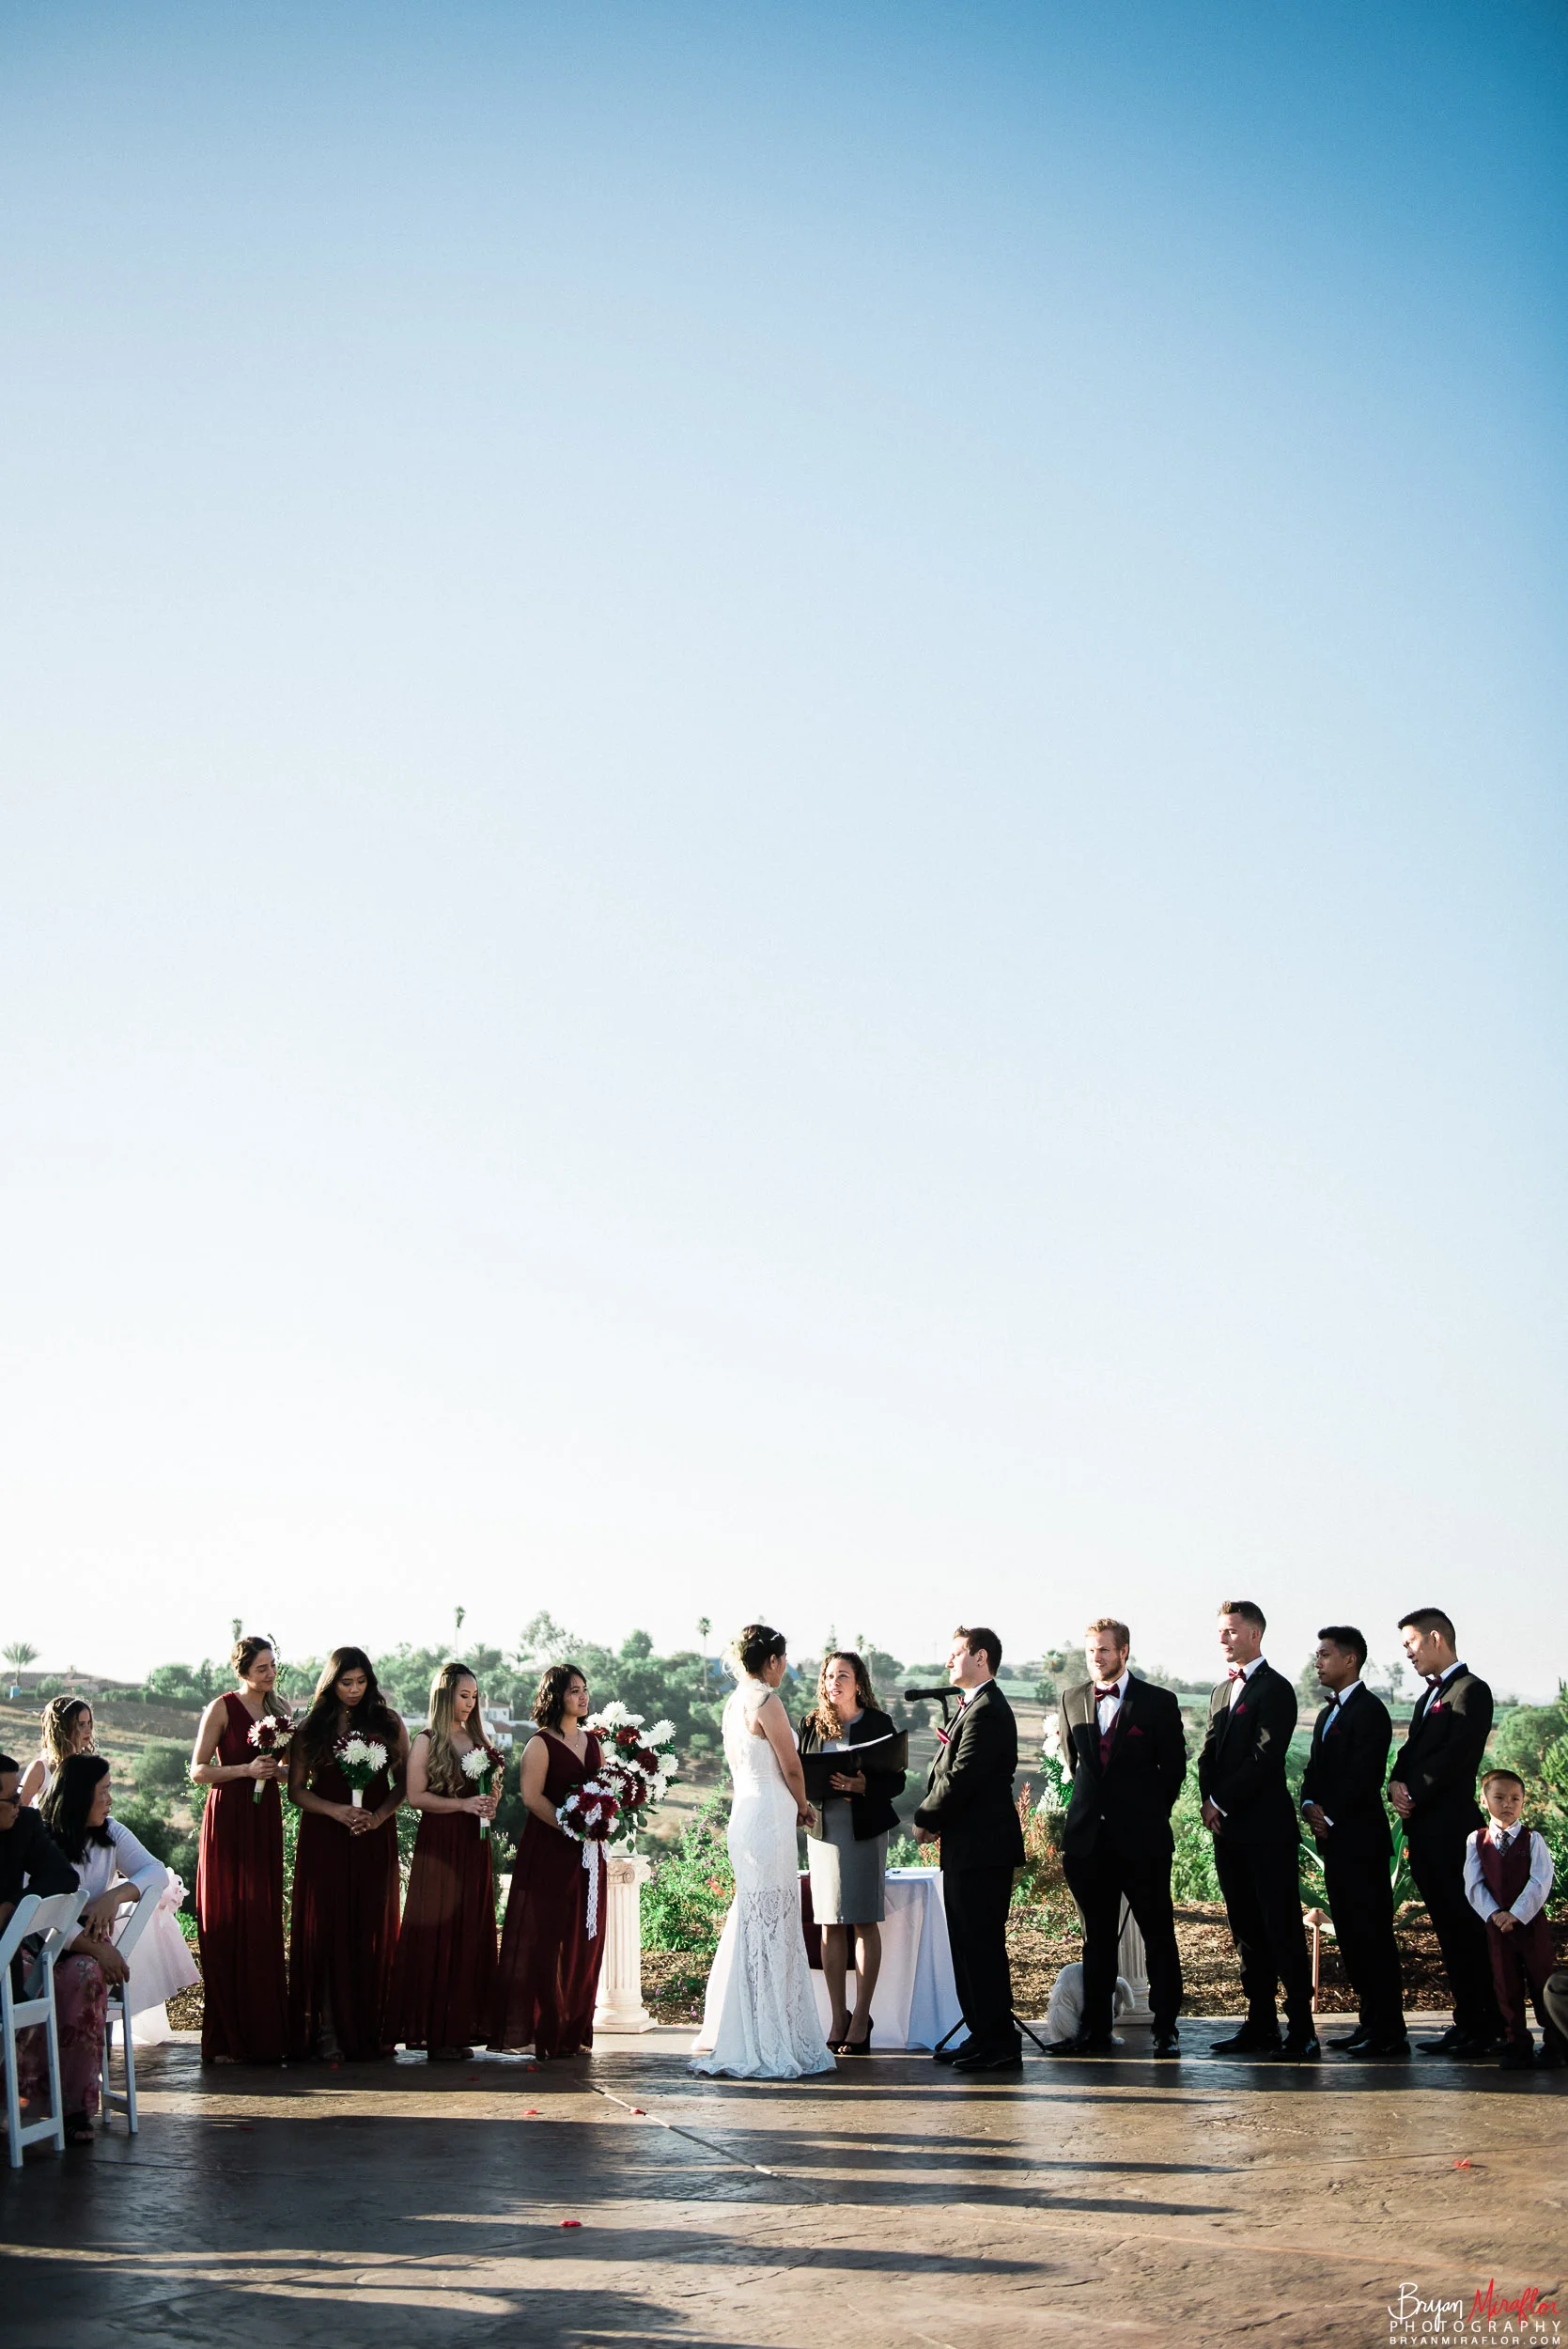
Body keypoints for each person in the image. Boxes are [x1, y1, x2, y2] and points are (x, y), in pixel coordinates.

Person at [691, 1626, 835, 2080]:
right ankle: (773, 2036)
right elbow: (791, 1765)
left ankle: (754, 2028)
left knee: (757, 1920)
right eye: (783, 1660)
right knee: (774, 1922)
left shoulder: (734, 1702)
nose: (785, 1668)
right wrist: (804, 1806)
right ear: (771, 1661)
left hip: (746, 1814)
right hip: (769, 1817)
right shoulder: (766, 1701)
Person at [1051, 1617, 1187, 2058]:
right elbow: (1075, 1764)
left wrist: (1146, 1815)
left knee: (1158, 1935)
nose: (1096, 1658)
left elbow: (1174, 1770)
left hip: (1143, 1841)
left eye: (1105, 1650)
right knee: (1097, 1941)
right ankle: (1095, 2031)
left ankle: (1165, 2029)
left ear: (1124, 1651)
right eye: (1091, 1650)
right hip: (1088, 1842)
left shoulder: (1158, 1702)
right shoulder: (1071, 1698)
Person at [1198, 1601, 1317, 2059]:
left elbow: (1265, 1759)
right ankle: (1260, 2023)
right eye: (1220, 1631)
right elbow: (1208, 1753)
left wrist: (1220, 1801)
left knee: (1281, 1927)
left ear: (1254, 1634)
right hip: (1227, 1832)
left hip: (1267, 1832)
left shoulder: (1277, 1689)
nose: (1222, 1639)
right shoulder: (1219, 1691)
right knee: (1245, 1928)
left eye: (1230, 1631)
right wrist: (1209, 1803)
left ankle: (1302, 2029)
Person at [1387, 1608, 1502, 2056]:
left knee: (1468, 1929)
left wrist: (1412, 1791)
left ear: (1436, 1638)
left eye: (1410, 1643)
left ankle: (1488, 2027)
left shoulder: (1472, 1690)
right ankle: (1466, 2021)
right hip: (1425, 1834)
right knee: (1448, 1932)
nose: (1407, 1654)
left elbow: (1457, 1756)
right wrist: (1395, 1783)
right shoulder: (1426, 1698)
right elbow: (1410, 1752)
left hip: (1454, 1832)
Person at [911, 1626, 1027, 2074]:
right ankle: (981, 2034)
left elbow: (963, 1776)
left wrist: (926, 1817)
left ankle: (1000, 2042)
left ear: (981, 1658)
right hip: (968, 1846)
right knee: (966, 1945)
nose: (948, 1661)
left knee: (981, 1945)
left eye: (957, 1653)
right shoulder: (974, 1706)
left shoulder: (987, 1710)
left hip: (984, 1848)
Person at [287, 1646, 407, 2061]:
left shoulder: (388, 1722)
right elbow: (296, 1791)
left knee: (368, 1927)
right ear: (331, 1683)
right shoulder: (312, 1727)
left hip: (373, 1836)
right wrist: (336, 1811)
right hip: (325, 1836)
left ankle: (367, 2028)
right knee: (327, 1929)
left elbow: (403, 1783)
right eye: (345, 1682)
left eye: (361, 1682)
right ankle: (327, 2032)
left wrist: (378, 1817)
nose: (354, 1690)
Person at [39, 1754, 165, 2144]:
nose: (110, 1799)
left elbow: (156, 1872)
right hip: (41, 1943)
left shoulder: (112, 1833)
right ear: (80, 1795)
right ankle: (28, 2098)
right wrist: (101, 1952)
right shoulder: (40, 1838)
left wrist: (115, 1895)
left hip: (87, 1946)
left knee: (86, 1978)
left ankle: (76, 2108)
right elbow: (41, 1912)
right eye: (104, 1791)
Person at [490, 1662, 609, 2059]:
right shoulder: (539, 1744)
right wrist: (569, 1825)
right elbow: (531, 1797)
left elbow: (603, 1790)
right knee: (546, 1940)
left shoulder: (592, 1743)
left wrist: (600, 1821)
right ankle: (543, 2028)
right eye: (574, 1690)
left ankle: (573, 2029)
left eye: (584, 1689)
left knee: (583, 1939)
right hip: (548, 1850)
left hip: (588, 1855)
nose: (583, 1696)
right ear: (556, 1697)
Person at [1299, 1625, 1406, 2057]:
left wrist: (1331, 1816)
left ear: (1350, 1659)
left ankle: (1390, 2030)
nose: (1318, 1662)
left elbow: (1365, 1775)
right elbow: (1313, 1770)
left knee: (1372, 1934)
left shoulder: (1371, 1711)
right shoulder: (1326, 1714)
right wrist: (1309, 1804)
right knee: (1352, 1936)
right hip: (1335, 1843)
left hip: (1361, 1841)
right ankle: (1369, 2023)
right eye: (1317, 1655)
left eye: (1325, 1655)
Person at [388, 1661, 501, 2059]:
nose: (470, 1703)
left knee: (470, 1931)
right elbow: (416, 1797)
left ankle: (460, 2029)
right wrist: (463, 1805)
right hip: (440, 1844)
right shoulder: (426, 1740)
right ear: (444, 1695)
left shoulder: (479, 1740)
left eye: (474, 1696)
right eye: (463, 1695)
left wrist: (490, 1802)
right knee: (440, 1932)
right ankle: (435, 2033)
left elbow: (490, 1790)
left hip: (474, 1845)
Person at [190, 1634, 292, 2064]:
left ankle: (263, 2035)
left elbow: (290, 1772)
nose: (270, 1674)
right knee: (228, 1919)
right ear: (243, 1671)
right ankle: (226, 2038)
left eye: (273, 1666)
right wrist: (245, 1770)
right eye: (262, 1668)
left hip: (264, 1816)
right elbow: (198, 1770)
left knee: (261, 1918)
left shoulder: (281, 1710)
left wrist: (277, 1772)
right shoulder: (221, 1707)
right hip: (229, 1819)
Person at [798, 1650, 905, 2054]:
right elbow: (798, 1772)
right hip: (823, 1832)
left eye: (843, 1675)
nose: (834, 1682)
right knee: (829, 1923)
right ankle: (837, 2016)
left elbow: (896, 1781)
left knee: (862, 1921)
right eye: (829, 1676)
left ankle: (862, 2017)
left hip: (864, 1831)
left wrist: (865, 1787)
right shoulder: (811, 1724)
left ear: (859, 1683)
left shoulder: (878, 1723)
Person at [1463, 1768, 1562, 2071]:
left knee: (1541, 1981)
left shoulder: (1533, 1840)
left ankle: (1556, 2044)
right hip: (1497, 1928)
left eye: (1515, 1799)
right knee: (1505, 1984)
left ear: (1523, 1802)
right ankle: (1517, 2043)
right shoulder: (1476, 1840)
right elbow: (1473, 1884)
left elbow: (1540, 1880)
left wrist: (1515, 1914)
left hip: (1530, 1926)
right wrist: (1495, 1914)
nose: (1508, 1803)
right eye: (1500, 1797)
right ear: (1484, 1800)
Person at [20, 1694, 96, 1808]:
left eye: (89, 1723)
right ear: (64, 1728)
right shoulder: (41, 1769)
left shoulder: (89, 1767)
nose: (88, 1730)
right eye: (81, 1724)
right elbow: (17, 1809)